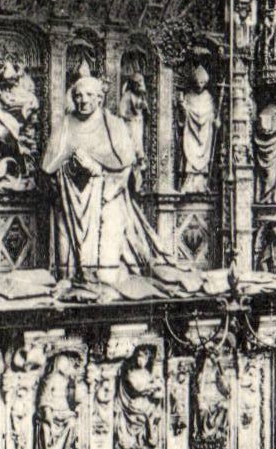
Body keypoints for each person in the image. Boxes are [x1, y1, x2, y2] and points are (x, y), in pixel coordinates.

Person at [41, 64, 184, 287]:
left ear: (100, 98)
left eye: (89, 95)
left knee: (106, 274)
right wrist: (71, 168)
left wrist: (98, 173)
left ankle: (106, 275)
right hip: (70, 202)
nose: (83, 100)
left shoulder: (114, 126)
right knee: (66, 274)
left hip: (107, 198)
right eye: (78, 95)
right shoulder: (65, 126)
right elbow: (49, 169)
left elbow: (125, 167)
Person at [177, 64, 218, 193]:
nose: (200, 85)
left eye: (202, 82)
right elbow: (183, 115)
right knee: (190, 154)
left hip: (205, 133)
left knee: (203, 159)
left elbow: (212, 113)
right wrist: (184, 110)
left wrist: (214, 119)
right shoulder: (188, 96)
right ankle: (189, 181)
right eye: (198, 82)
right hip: (191, 132)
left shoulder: (208, 97)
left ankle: (202, 183)